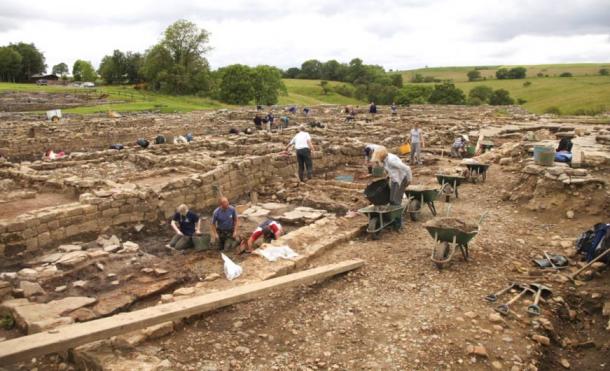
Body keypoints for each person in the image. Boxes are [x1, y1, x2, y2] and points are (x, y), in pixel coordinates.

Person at [372, 146, 412, 229]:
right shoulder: (385, 159)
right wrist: (387, 175)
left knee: (396, 202)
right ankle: (393, 219)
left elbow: (407, 168)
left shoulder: (391, 161)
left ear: (381, 155)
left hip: (401, 179)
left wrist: (409, 179)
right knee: (392, 200)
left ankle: (399, 224)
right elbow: (389, 169)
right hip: (395, 179)